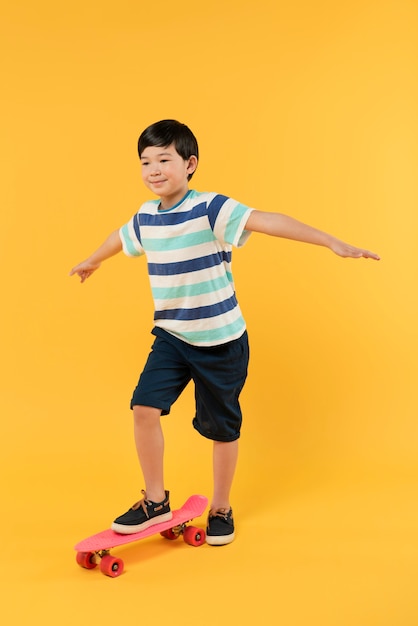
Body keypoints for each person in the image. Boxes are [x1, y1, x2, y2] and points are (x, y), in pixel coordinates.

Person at [70, 119, 380, 546]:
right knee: (144, 408)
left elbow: (268, 220)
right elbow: (120, 237)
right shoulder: (145, 216)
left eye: (164, 159)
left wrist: (329, 241)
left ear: (190, 164)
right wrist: (93, 260)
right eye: (145, 162)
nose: (153, 169)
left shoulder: (210, 208)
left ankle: (221, 507)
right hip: (173, 337)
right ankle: (156, 501)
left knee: (221, 430)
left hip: (221, 341)